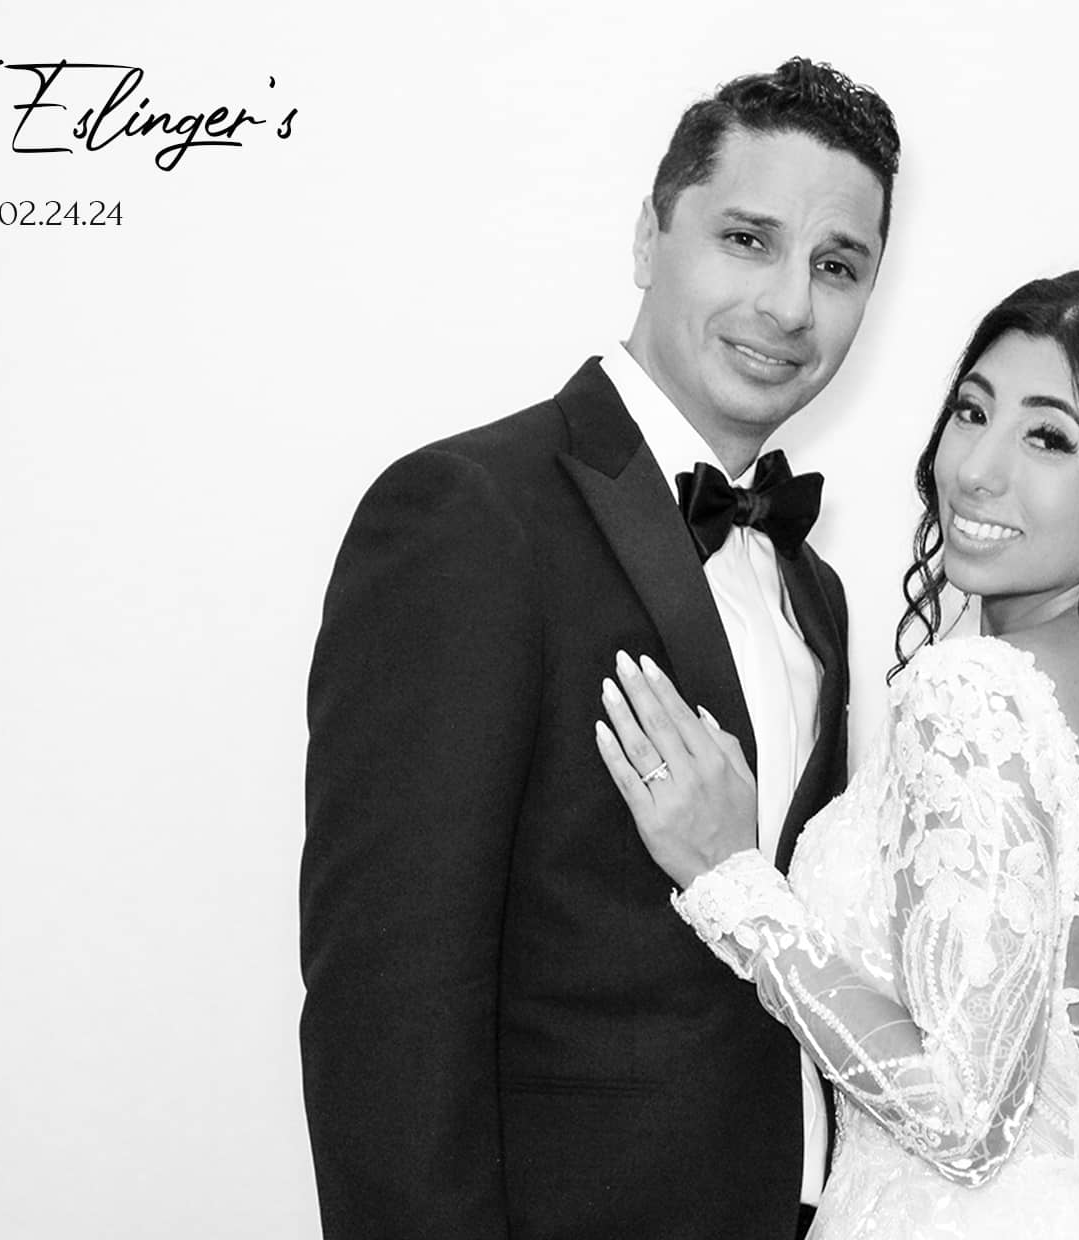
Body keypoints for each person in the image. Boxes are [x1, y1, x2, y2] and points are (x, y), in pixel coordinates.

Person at [300, 59, 900, 1239]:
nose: (790, 305)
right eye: (746, 239)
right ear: (646, 237)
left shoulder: (812, 590)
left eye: (837, 266)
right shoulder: (471, 513)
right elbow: (387, 998)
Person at [598, 266, 1079, 1237]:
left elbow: (964, 1120)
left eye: (1048, 438)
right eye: (973, 412)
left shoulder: (977, 694)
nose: (976, 468)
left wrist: (733, 884)